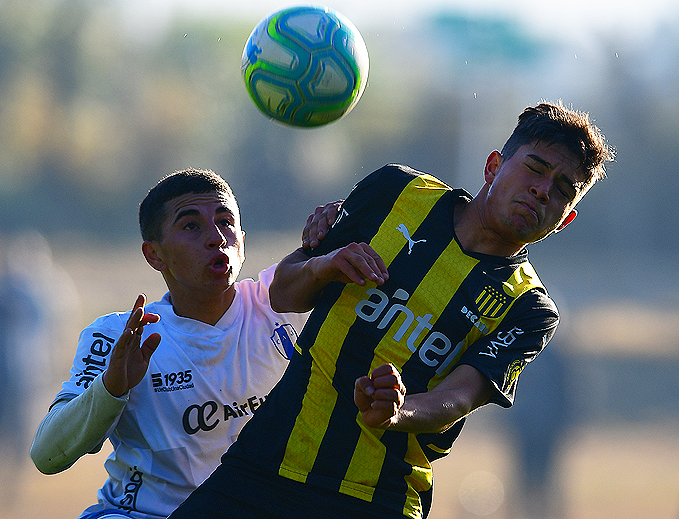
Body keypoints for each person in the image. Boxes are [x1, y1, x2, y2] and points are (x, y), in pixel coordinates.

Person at [169, 101, 614, 519]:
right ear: (493, 166)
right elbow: (284, 294)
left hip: (377, 499)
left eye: (561, 189)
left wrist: (397, 413)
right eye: (534, 169)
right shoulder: (395, 190)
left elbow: (457, 398)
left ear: (565, 218)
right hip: (265, 464)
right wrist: (323, 266)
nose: (541, 190)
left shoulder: (530, 308)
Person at [30, 168, 335, 519]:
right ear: (154, 255)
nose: (216, 237)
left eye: (225, 221)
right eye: (191, 225)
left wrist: (347, 216)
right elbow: (46, 454)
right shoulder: (121, 336)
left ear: (243, 241)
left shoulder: (285, 303)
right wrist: (111, 388)